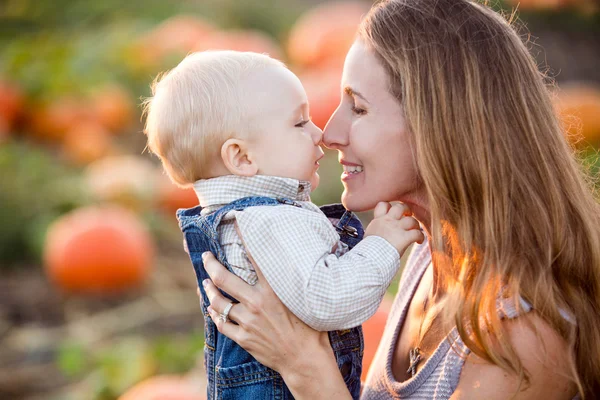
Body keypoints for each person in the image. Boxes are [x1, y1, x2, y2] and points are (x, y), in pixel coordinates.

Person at [199, 0, 600, 399]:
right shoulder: (431, 251)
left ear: (439, 126)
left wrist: (303, 364)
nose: (330, 132)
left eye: (358, 108)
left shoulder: (523, 340)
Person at [142, 50, 424, 399]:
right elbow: (331, 300)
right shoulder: (270, 220)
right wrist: (381, 243)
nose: (320, 132)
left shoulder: (241, 220)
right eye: (299, 123)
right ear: (243, 157)